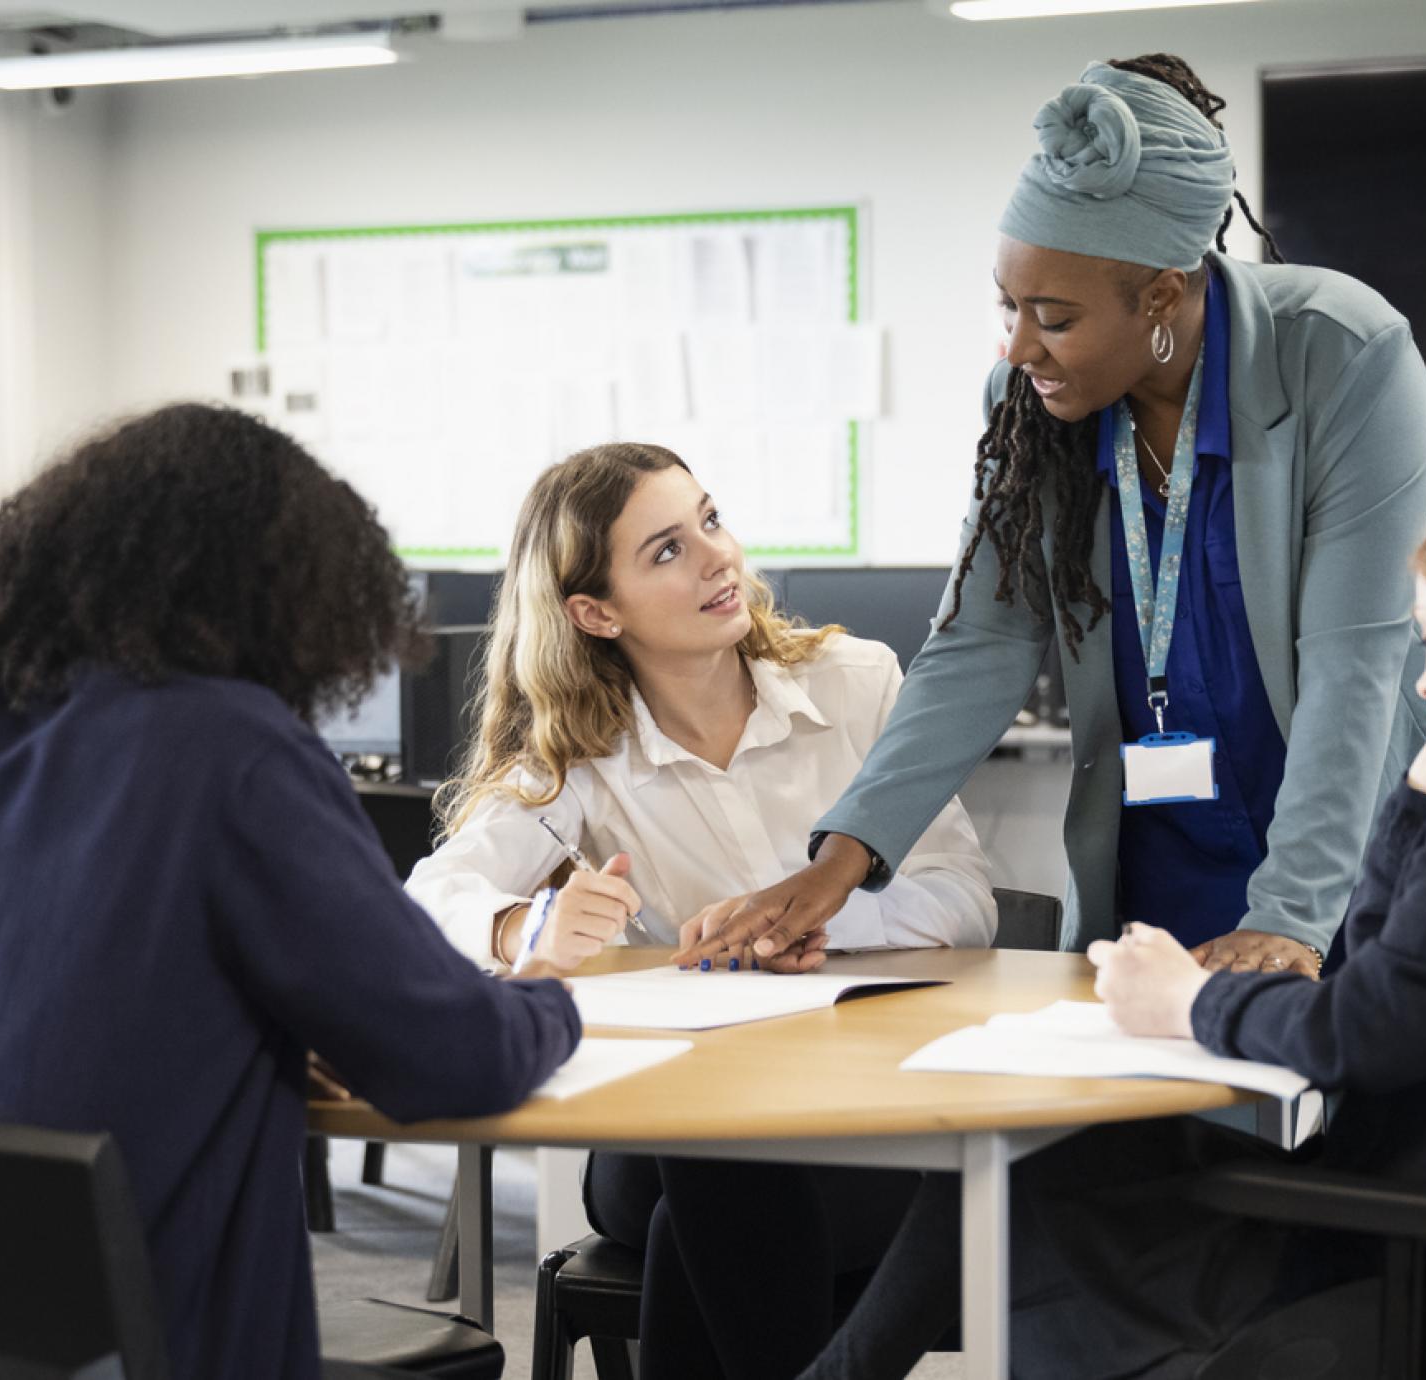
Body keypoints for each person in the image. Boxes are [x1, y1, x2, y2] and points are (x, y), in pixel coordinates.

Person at [798, 472, 1426, 1380]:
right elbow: (1378, 975)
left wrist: (1188, 1001)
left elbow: (1365, 1030)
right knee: (1065, 1162)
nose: (1418, 678)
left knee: (1021, 1175)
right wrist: (1414, 789)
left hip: (1419, 1238)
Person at [681, 52, 1426, 978]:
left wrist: (1292, 917)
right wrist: (844, 859)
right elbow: (980, 643)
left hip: (1341, 862)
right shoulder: (1030, 403)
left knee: (1344, 1107)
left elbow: (1353, 663)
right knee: (1148, 1115)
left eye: (1054, 317)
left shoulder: (1342, 354)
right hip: (1158, 858)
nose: (1019, 344)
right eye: (1008, 306)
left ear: (1162, 293)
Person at [0, 404, 582, 1380]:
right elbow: (457, 1058)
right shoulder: (229, 748)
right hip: (170, 1344)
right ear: (278, 597)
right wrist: (547, 992)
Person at [403, 441, 995, 1380]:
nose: (720, 556)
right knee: (715, 1156)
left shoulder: (859, 686)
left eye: (710, 520)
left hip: (854, 1119)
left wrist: (822, 917)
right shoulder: (579, 751)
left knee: (710, 1208)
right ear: (595, 613)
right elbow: (432, 896)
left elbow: (966, 900)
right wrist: (528, 930)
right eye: (667, 550)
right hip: (665, 1130)